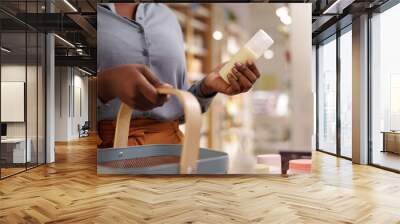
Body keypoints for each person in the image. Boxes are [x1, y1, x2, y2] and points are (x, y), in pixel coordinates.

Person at [97, 3, 261, 148]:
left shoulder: (166, 16)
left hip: (172, 152)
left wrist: (206, 87)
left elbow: (179, 111)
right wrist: (105, 84)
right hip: (106, 152)